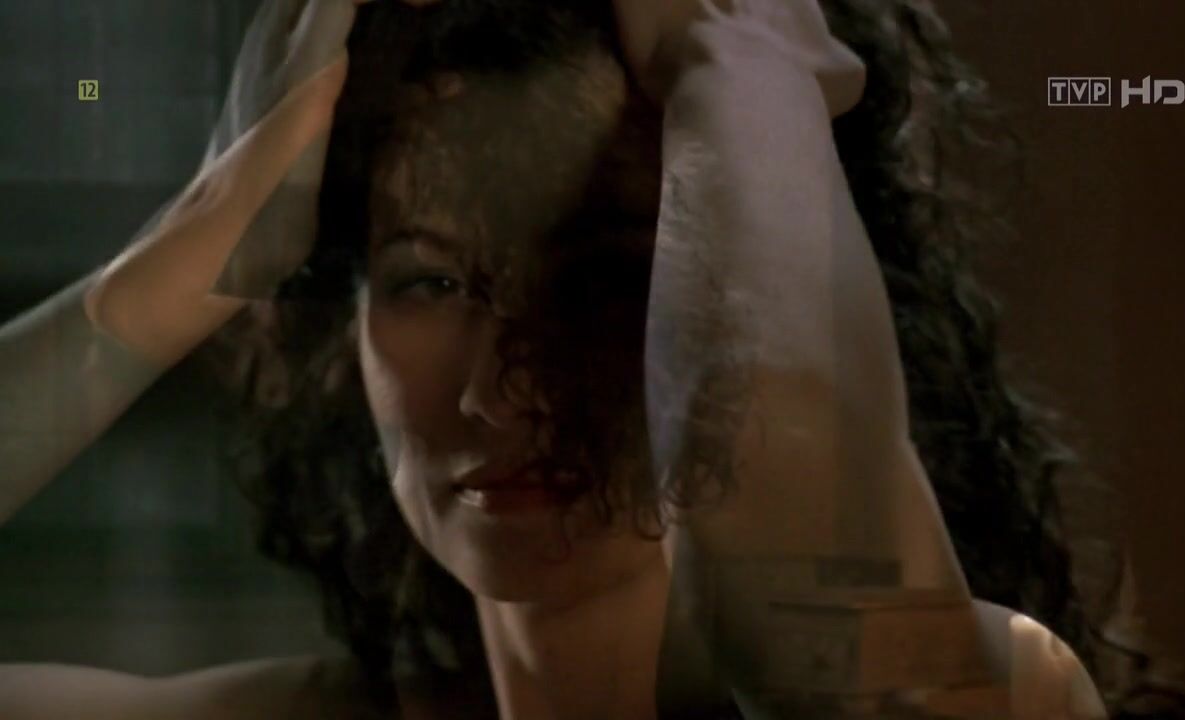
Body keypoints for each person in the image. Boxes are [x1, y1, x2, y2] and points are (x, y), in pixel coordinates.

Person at [0, 0, 1171, 717]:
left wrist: (740, 68)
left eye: (601, 279)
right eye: (429, 283)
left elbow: (829, 651)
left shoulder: (995, 684)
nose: (492, 391)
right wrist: (195, 242)